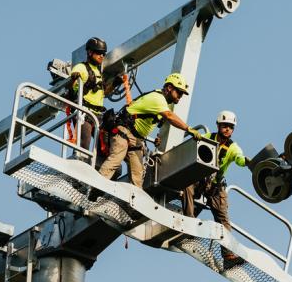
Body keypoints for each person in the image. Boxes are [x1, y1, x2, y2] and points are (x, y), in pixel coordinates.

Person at [181, 109, 250, 266]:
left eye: (231, 127)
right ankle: (189, 224)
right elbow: (193, 148)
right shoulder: (207, 138)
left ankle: (228, 256)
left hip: (215, 185)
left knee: (223, 218)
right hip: (199, 179)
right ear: (218, 125)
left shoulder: (233, 148)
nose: (228, 129)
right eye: (225, 126)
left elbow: (239, 158)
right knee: (186, 184)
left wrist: (246, 161)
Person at [97, 73, 192, 187]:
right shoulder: (157, 98)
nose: (180, 96)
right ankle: (96, 187)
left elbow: (160, 122)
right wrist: (188, 129)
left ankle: (132, 201)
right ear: (169, 88)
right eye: (179, 92)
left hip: (136, 138)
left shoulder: (166, 104)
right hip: (124, 130)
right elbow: (170, 117)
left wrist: (158, 138)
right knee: (117, 158)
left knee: (137, 174)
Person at [66, 36, 108, 150]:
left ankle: (97, 166)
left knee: (105, 147)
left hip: (98, 115)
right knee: (85, 142)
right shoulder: (81, 67)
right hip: (85, 112)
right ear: (90, 52)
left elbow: (104, 93)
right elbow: (69, 87)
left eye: (104, 54)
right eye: (99, 53)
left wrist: (115, 84)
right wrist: (74, 79)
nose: (102, 56)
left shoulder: (99, 72)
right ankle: (79, 162)